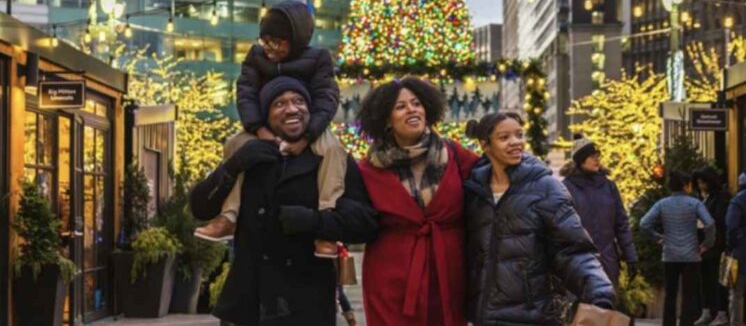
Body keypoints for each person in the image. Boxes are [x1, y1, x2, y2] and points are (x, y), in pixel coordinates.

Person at [190, 77, 378, 325]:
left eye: (299, 101)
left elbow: (364, 223)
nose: (292, 109)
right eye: (280, 103)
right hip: (249, 300)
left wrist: (314, 221)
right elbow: (200, 207)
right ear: (265, 116)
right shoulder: (248, 153)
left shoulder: (331, 157)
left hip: (306, 302)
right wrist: (233, 165)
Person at [194, 0, 346, 258]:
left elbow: (326, 99)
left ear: (295, 38)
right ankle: (229, 216)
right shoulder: (255, 57)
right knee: (235, 144)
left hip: (310, 127)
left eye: (278, 42)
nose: (271, 49)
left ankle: (326, 221)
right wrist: (259, 130)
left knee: (332, 149)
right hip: (263, 125)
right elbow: (245, 94)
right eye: (266, 41)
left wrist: (308, 135)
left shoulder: (318, 59)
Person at [463, 112, 615, 325]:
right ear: (485, 145)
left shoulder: (545, 187)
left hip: (532, 314)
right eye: (504, 137)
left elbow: (572, 249)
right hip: (481, 316)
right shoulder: (473, 192)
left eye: (519, 135)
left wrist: (599, 290)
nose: (516, 142)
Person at [356, 77, 479, 326]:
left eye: (416, 103)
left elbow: (496, 182)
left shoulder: (455, 155)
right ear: (386, 120)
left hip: (449, 270)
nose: (412, 109)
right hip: (390, 274)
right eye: (400, 106)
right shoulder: (366, 169)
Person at [561, 135, 638, 286]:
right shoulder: (565, 188)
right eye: (592, 156)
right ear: (580, 160)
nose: (597, 160)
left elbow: (621, 224)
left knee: (607, 306)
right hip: (579, 264)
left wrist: (631, 258)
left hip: (607, 261)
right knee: (583, 308)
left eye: (598, 156)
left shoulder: (608, 187)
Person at [641, 171, 715, 326]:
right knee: (689, 294)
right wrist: (706, 244)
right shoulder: (695, 203)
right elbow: (709, 223)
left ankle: (669, 323)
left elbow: (644, 223)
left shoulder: (662, 204)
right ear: (686, 186)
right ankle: (686, 323)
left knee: (670, 294)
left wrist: (658, 237)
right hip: (691, 255)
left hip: (669, 254)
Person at [692, 166, 730, 326]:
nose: (701, 186)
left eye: (703, 182)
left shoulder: (721, 198)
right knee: (706, 279)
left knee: (718, 280)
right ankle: (707, 311)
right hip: (704, 245)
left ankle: (721, 312)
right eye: (699, 183)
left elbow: (719, 219)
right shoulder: (703, 199)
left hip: (716, 245)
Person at [726, 172, 746, 326]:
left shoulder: (737, 201)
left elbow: (731, 226)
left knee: (736, 292)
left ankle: (736, 323)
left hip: (741, 251)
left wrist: (732, 245)